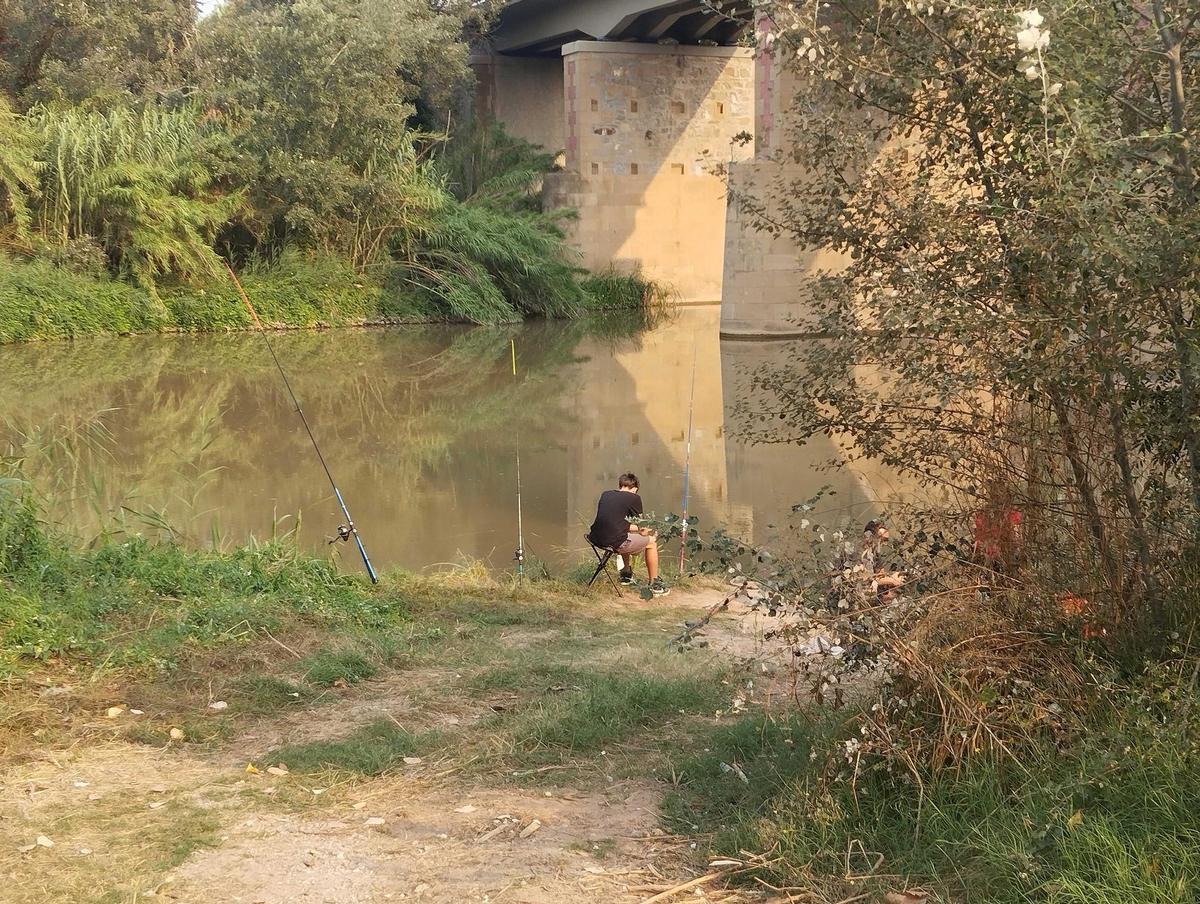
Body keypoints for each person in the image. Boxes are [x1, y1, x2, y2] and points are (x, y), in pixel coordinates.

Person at [587, 472, 669, 596]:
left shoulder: (606, 494)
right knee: (652, 542)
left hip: (595, 538)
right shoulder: (634, 498)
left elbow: (618, 523)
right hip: (614, 543)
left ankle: (626, 573)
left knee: (625, 532)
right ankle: (654, 584)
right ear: (635, 488)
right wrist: (649, 533)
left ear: (621, 485)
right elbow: (641, 526)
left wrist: (637, 530)